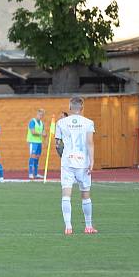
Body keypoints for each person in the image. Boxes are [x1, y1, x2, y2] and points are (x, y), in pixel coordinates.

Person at [55, 96, 97, 235]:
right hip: (83, 162)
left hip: (67, 162)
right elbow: (90, 142)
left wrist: (62, 153)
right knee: (85, 195)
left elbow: (58, 144)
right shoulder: (88, 122)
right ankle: (88, 226)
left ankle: (68, 227)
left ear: (70, 107)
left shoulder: (61, 123)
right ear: (82, 107)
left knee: (66, 194)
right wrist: (92, 161)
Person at [27, 108, 46, 180]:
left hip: (39, 142)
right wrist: (42, 133)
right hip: (32, 142)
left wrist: (45, 139)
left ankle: (35, 173)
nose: (41, 116)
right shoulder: (32, 121)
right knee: (32, 156)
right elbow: (33, 132)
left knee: (37, 157)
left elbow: (44, 133)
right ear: (37, 114)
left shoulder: (42, 123)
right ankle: (30, 174)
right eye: (40, 115)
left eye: (42, 115)